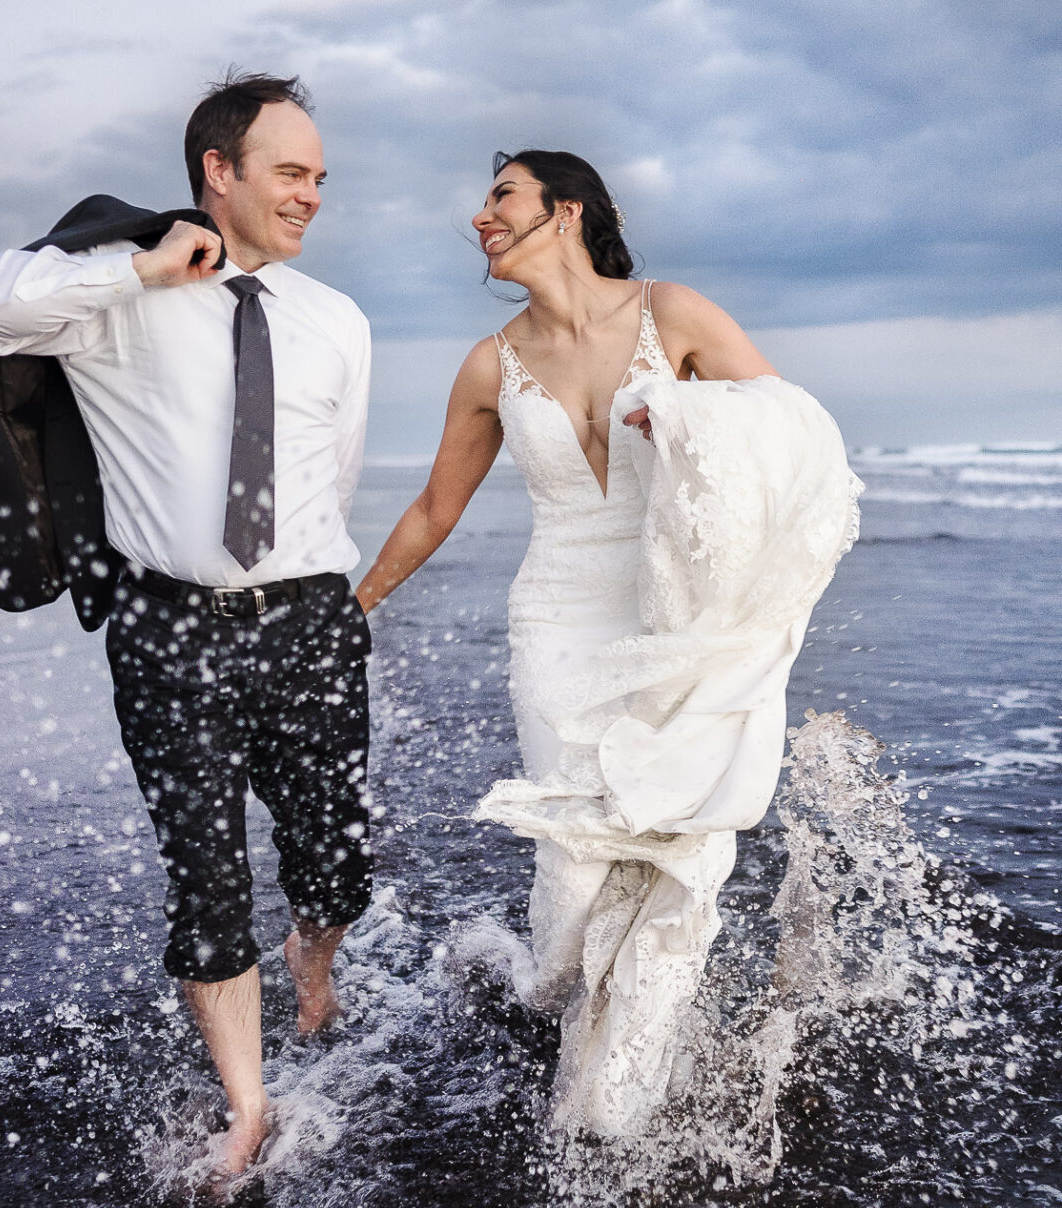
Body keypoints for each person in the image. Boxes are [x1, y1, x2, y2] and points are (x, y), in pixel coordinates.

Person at [356, 150, 859, 1134]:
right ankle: (548, 991)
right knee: (580, 866)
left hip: (674, 619)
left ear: (567, 211)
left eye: (499, 196)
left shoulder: (670, 314)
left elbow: (793, 434)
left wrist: (683, 414)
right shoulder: (487, 363)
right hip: (557, 624)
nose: (480, 217)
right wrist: (355, 603)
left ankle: (610, 1108)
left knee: (675, 850)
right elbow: (432, 507)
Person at [0, 74, 374, 1179]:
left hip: (312, 621)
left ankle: (314, 949)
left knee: (337, 861)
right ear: (217, 174)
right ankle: (248, 1103)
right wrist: (137, 266)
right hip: (168, 631)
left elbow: (330, 481)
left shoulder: (337, 320)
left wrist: (307, 594)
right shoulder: (116, 299)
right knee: (206, 878)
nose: (311, 196)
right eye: (291, 173)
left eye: (320, 178)